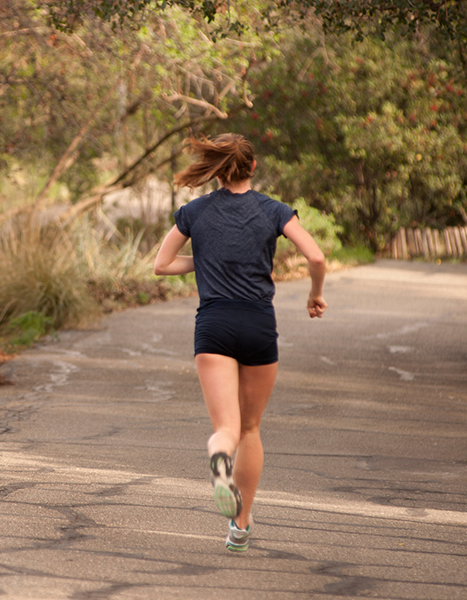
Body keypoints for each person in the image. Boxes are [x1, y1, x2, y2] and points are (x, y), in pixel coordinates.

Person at [153, 133, 327, 553]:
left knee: (226, 429)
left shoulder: (193, 212)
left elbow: (161, 265)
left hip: (213, 325)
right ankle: (240, 526)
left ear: (215, 168)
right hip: (257, 325)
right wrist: (314, 294)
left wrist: (207, 258)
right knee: (250, 428)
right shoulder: (273, 210)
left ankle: (218, 456)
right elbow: (317, 257)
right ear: (252, 167)